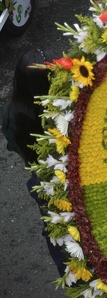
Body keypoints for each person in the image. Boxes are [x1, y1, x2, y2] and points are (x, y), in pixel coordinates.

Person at [1, 49, 67, 276]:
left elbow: (21, 155)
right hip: (69, 175)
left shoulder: (10, 114)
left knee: (58, 233)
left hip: (43, 182)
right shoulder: (65, 109)